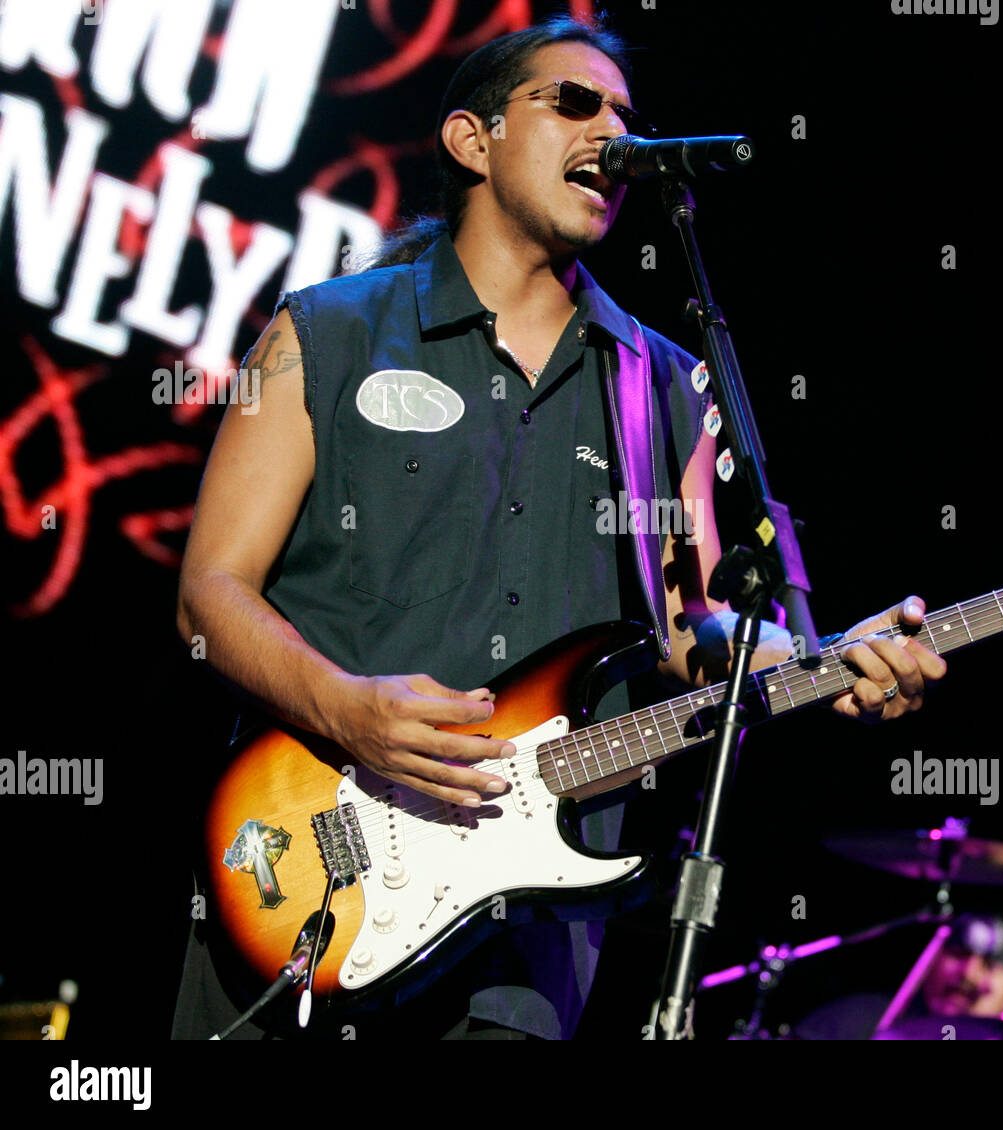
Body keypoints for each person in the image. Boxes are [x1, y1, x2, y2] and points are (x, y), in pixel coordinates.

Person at [171, 14, 946, 1041]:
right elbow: (209, 590)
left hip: (531, 924)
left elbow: (691, 635)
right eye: (574, 102)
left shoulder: (663, 378)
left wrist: (821, 661)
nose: (611, 132)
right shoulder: (327, 329)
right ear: (471, 140)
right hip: (310, 866)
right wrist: (347, 706)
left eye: (627, 115)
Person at [793, 914, 1003, 1039]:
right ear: (928, 963)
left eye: (990, 965)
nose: (968, 973)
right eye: (958, 955)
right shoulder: (855, 1020)